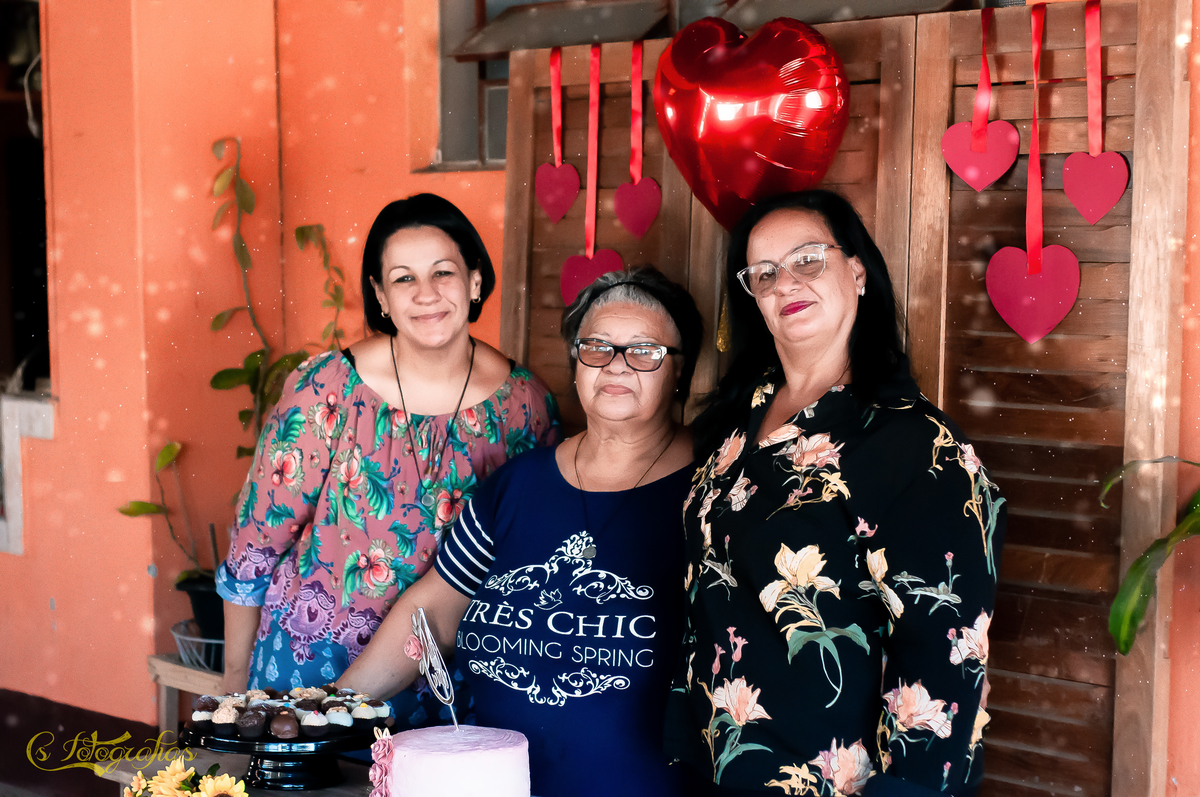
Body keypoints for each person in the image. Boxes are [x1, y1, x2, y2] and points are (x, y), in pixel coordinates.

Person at [664, 190, 1006, 796]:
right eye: (762, 273)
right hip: (708, 766)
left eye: (809, 259)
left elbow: (947, 656)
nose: (784, 282)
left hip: (829, 782)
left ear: (857, 271)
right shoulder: (733, 423)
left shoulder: (916, 446)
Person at [340, 267, 705, 797]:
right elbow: (433, 612)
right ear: (576, 363)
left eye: (645, 351)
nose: (616, 366)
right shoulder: (520, 484)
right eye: (596, 346)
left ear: (680, 371)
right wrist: (334, 705)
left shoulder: (713, 490)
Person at [216, 194, 561, 729]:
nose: (426, 295)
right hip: (308, 681)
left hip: (453, 688)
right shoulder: (328, 389)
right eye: (403, 279)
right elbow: (254, 547)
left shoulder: (526, 406)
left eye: (443, 272)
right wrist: (233, 694)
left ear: (474, 280)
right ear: (380, 295)